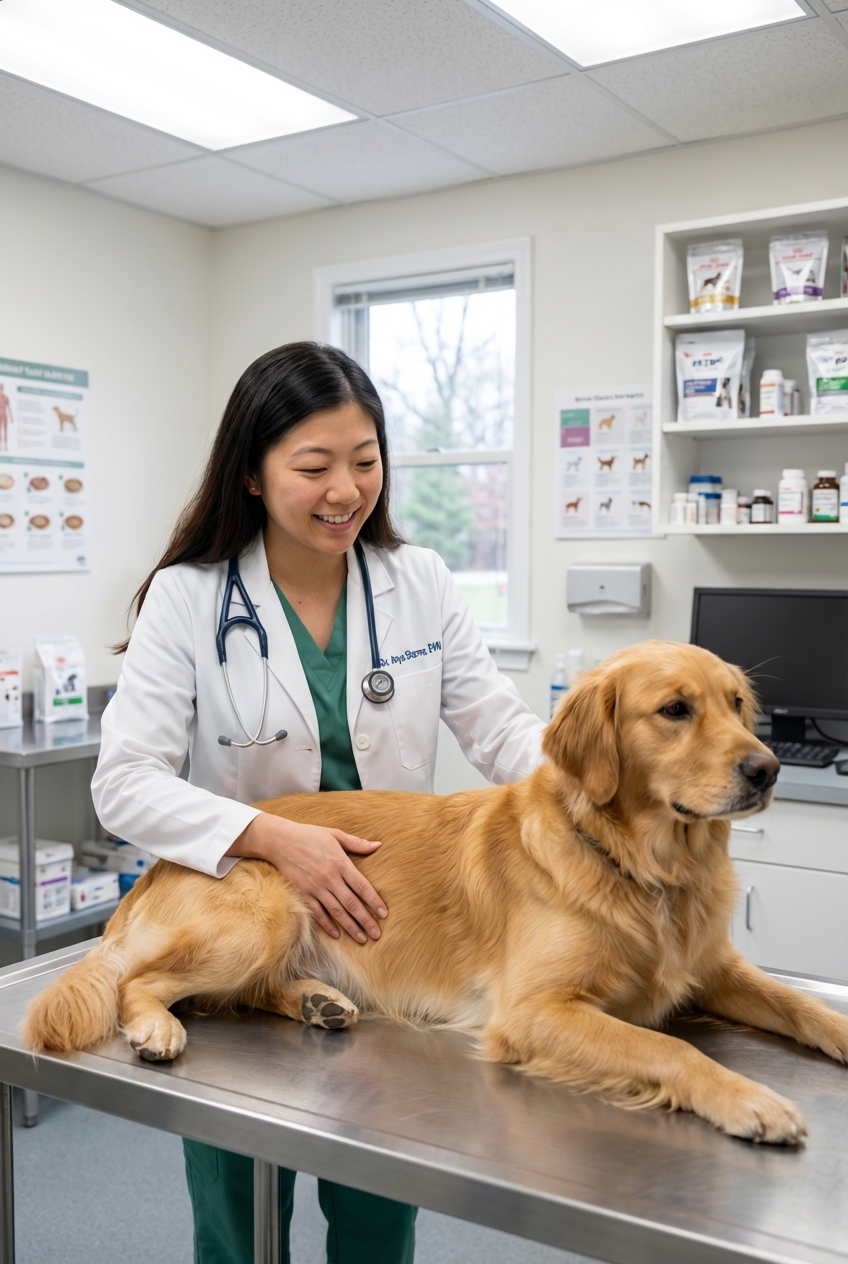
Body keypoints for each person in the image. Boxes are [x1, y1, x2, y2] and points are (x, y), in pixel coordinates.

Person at [91, 342, 544, 1264]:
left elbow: (503, 733)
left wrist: (605, 780)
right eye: (314, 465)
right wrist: (270, 836)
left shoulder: (421, 583)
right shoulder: (190, 600)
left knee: (383, 1199)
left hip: (385, 926)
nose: (346, 488)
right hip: (244, 906)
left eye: (366, 460)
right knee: (236, 1211)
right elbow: (123, 782)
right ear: (253, 475)